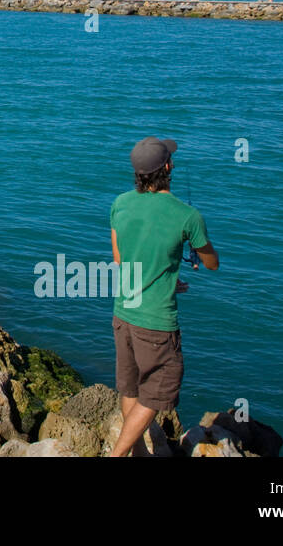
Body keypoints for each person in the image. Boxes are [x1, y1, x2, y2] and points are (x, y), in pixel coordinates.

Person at [109, 137, 219, 457]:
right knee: (157, 392)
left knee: (131, 387)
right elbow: (211, 264)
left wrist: (168, 278)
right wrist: (198, 255)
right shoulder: (187, 216)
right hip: (156, 322)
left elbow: (121, 259)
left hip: (123, 314)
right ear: (168, 168)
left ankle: (140, 453)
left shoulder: (120, 203)